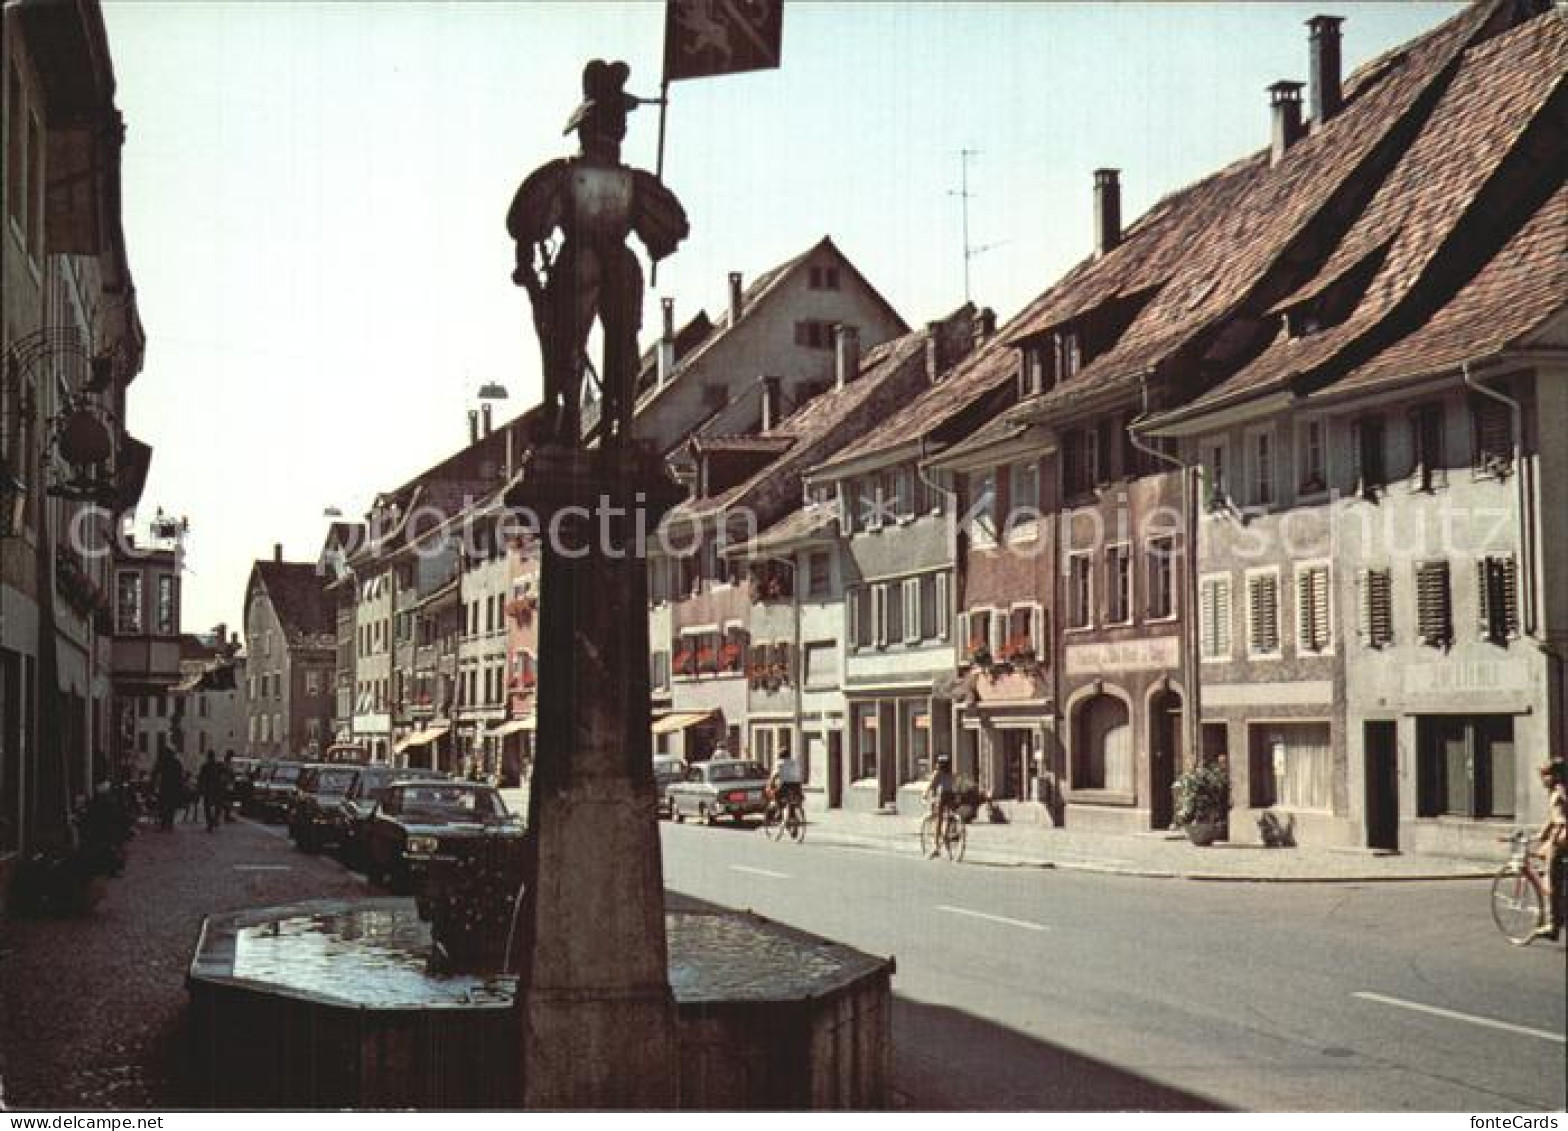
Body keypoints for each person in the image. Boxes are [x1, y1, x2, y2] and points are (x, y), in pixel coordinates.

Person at [1532, 758, 1567, 940]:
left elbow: (1561, 821)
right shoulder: (1559, 791)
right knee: (1543, 853)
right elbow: (1553, 818)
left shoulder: (1557, 794)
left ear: (1556, 776)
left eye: (1546, 775)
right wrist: (1541, 834)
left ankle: (1553, 925)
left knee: (1553, 877)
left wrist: (1552, 841)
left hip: (1563, 841)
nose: (1543, 780)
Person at [923, 755, 958, 858]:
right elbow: (954, 785)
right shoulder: (951, 774)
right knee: (948, 817)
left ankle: (935, 846)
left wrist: (924, 794)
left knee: (938, 819)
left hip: (942, 796)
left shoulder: (937, 773)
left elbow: (930, 785)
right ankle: (947, 835)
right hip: (951, 796)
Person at [153, 746, 183, 831]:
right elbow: (180, 777)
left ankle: (164, 824)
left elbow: (155, 772)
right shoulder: (176, 763)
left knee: (164, 806)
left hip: (165, 787)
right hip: (172, 788)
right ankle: (169, 824)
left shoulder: (163, 762)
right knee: (170, 807)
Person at [768, 752, 804, 819]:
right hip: (796, 785)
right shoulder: (793, 762)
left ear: (780, 756)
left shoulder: (779, 763)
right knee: (797, 797)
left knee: (775, 794)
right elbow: (798, 774)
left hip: (784, 785)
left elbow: (774, 775)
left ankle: (779, 809)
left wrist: (770, 784)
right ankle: (798, 809)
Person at [197, 752, 225, 833]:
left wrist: (200, 789)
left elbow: (201, 778)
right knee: (217, 805)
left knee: (208, 807)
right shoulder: (218, 766)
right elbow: (223, 775)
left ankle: (210, 822)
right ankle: (214, 820)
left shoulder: (205, 766)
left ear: (208, 757)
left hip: (208, 790)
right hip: (216, 789)